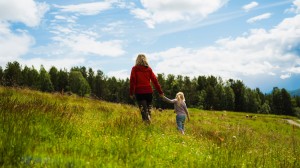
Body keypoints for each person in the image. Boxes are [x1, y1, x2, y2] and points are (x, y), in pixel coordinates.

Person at [130, 54, 164, 123]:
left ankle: (148, 127)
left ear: (137, 60)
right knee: (148, 112)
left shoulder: (135, 69)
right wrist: (160, 92)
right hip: (149, 93)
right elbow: (155, 81)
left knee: (144, 113)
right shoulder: (149, 69)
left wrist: (131, 93)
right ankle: (149, 128)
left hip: (139, 93)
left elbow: (132, 81)